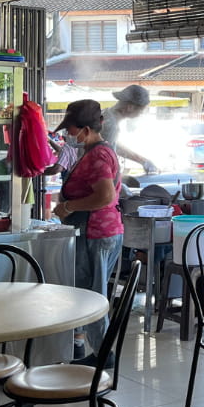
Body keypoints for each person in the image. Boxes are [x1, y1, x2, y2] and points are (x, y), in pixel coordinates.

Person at [51, 99, 123, 361]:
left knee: (92, 296)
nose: (69, 134)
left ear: (86, 129)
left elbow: (104, 196)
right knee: (87, 291)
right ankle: (86, 345)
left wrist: (69, 206)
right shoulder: (93, 152)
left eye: (71, 129)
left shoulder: (98, 156)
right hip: (96, 232)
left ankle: (104, 355)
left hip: (97, 233)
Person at [101, 84, 158, 174]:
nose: (142, 113)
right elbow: (103, 158)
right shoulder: (110, 125)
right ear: (130, 107)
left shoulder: (105, 115)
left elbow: (113, 146)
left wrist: (142, 161)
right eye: (141, 110)